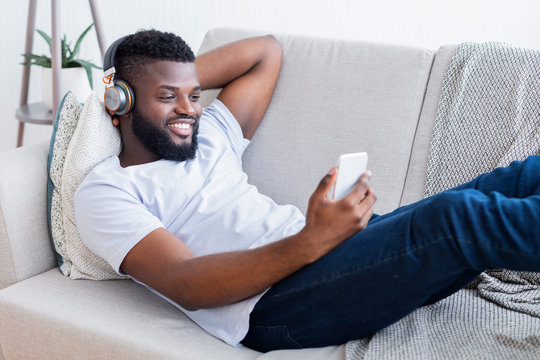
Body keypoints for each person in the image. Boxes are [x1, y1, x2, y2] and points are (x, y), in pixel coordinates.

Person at [74, 29, 540, 352]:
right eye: (166, 96)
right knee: (457, 216)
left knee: (515, 179)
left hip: (325, 254)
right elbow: (187, 283)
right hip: (275, 306)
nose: (188, 109)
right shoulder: (107, 189)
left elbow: (266, 52)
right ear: (120, 103)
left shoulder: (209, 137)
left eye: (193, 95)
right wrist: (311, 241)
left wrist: (172, 78)